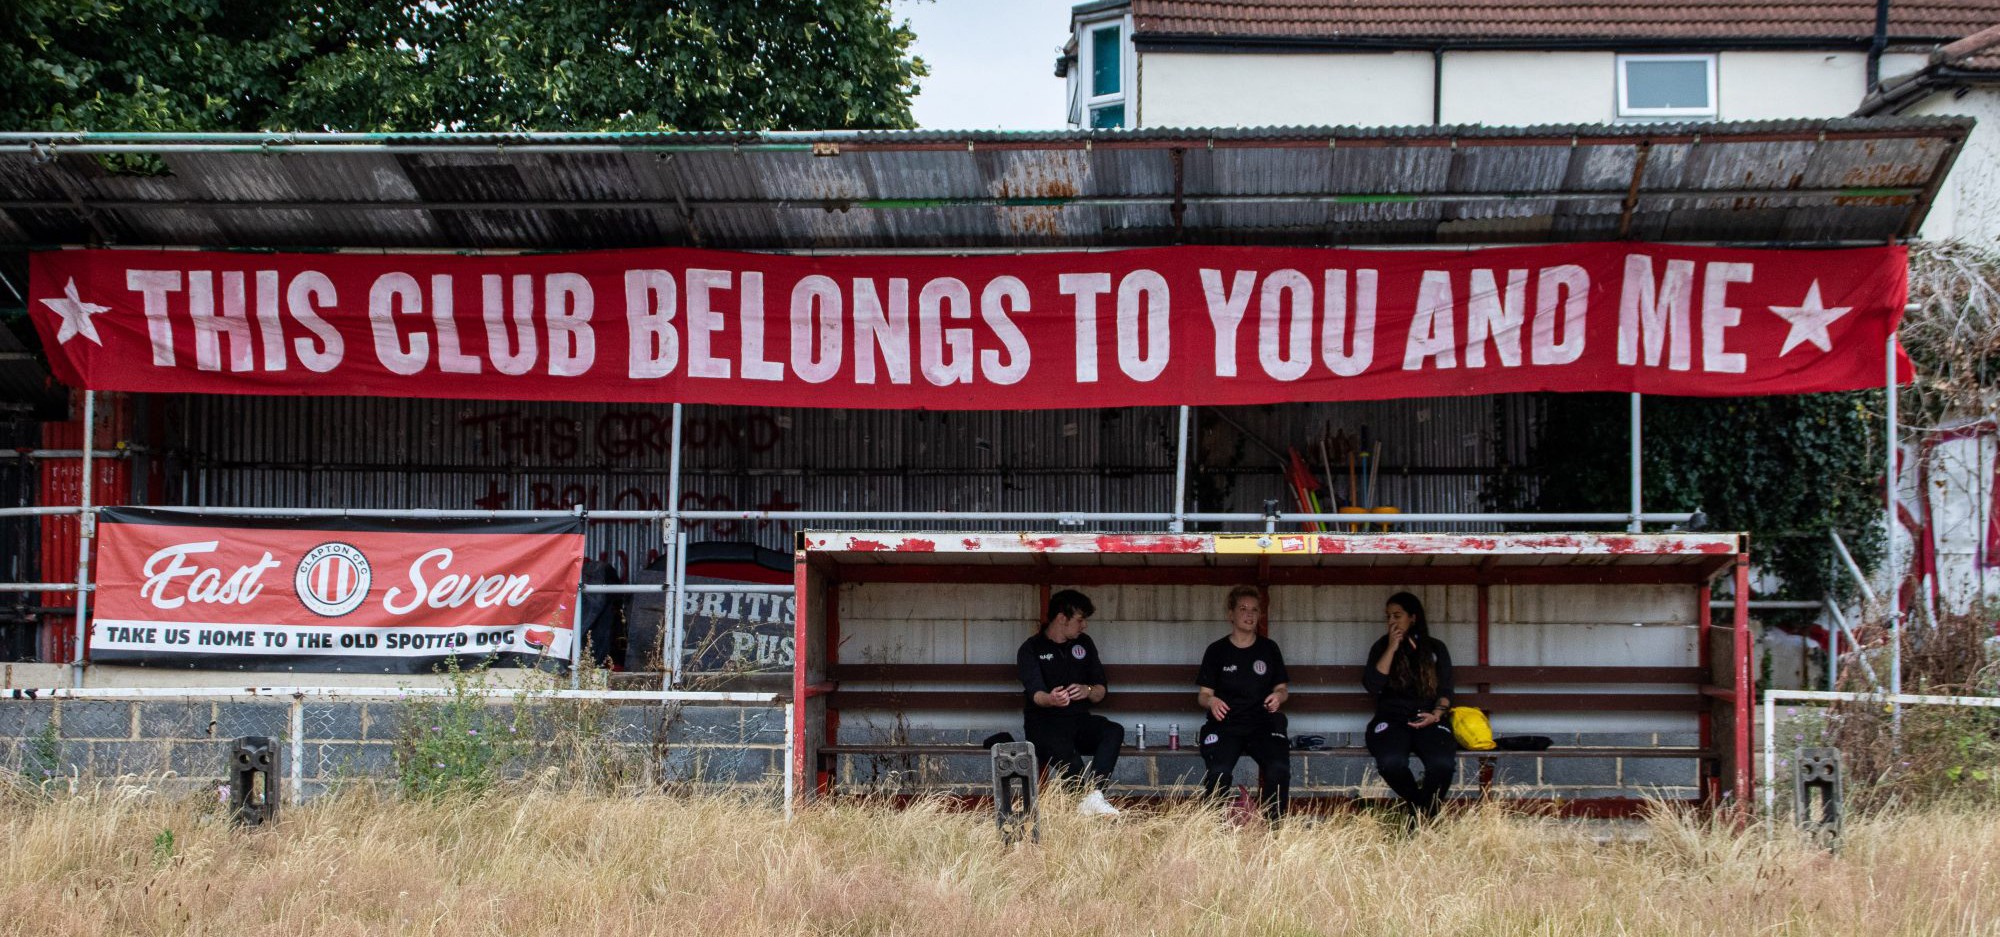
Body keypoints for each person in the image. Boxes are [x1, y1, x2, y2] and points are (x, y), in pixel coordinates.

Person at [1017, 588, 1122, 816]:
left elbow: (1101, 691)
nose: (1084, 625)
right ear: (1061, 618)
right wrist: (1051, 699)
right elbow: (1035, 694)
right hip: (1044, 725)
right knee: (1072, 764)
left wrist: (1087, 690)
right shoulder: (1031, 648)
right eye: (1080, 620)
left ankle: (1095, 795)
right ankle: (1078, 814)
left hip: (1077, 721)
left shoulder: (1084, 643)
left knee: (1113, 730)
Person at [1195, 585, 1291, 822]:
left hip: (1262, 723)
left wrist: (1278, 697)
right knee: (1219, 773)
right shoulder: (1217, 651)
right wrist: (1212, 701)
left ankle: (1274, 829)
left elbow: (1282, 690)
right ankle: (1213, 829)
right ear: (1231, 614)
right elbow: (1203, 695)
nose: (1249, 614)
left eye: (1254, 610)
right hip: (1226, 724)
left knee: (1278, 769)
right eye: (1243, 608)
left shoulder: (1269, 648)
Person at [1362, 591, 1457, 820]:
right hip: (1392, 719)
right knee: (1391, 763)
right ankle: (1421, 808)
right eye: (1388, 617)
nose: (1392, 621)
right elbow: (1373, 685)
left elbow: (1445, 691)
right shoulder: (1382, 647)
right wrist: (1392, 647)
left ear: (1413, 618)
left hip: (1428, 718)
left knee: (1442, 765)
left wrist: (1436, 714)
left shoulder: (1435, 648)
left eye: (1397, 615)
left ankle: (1422, 814)